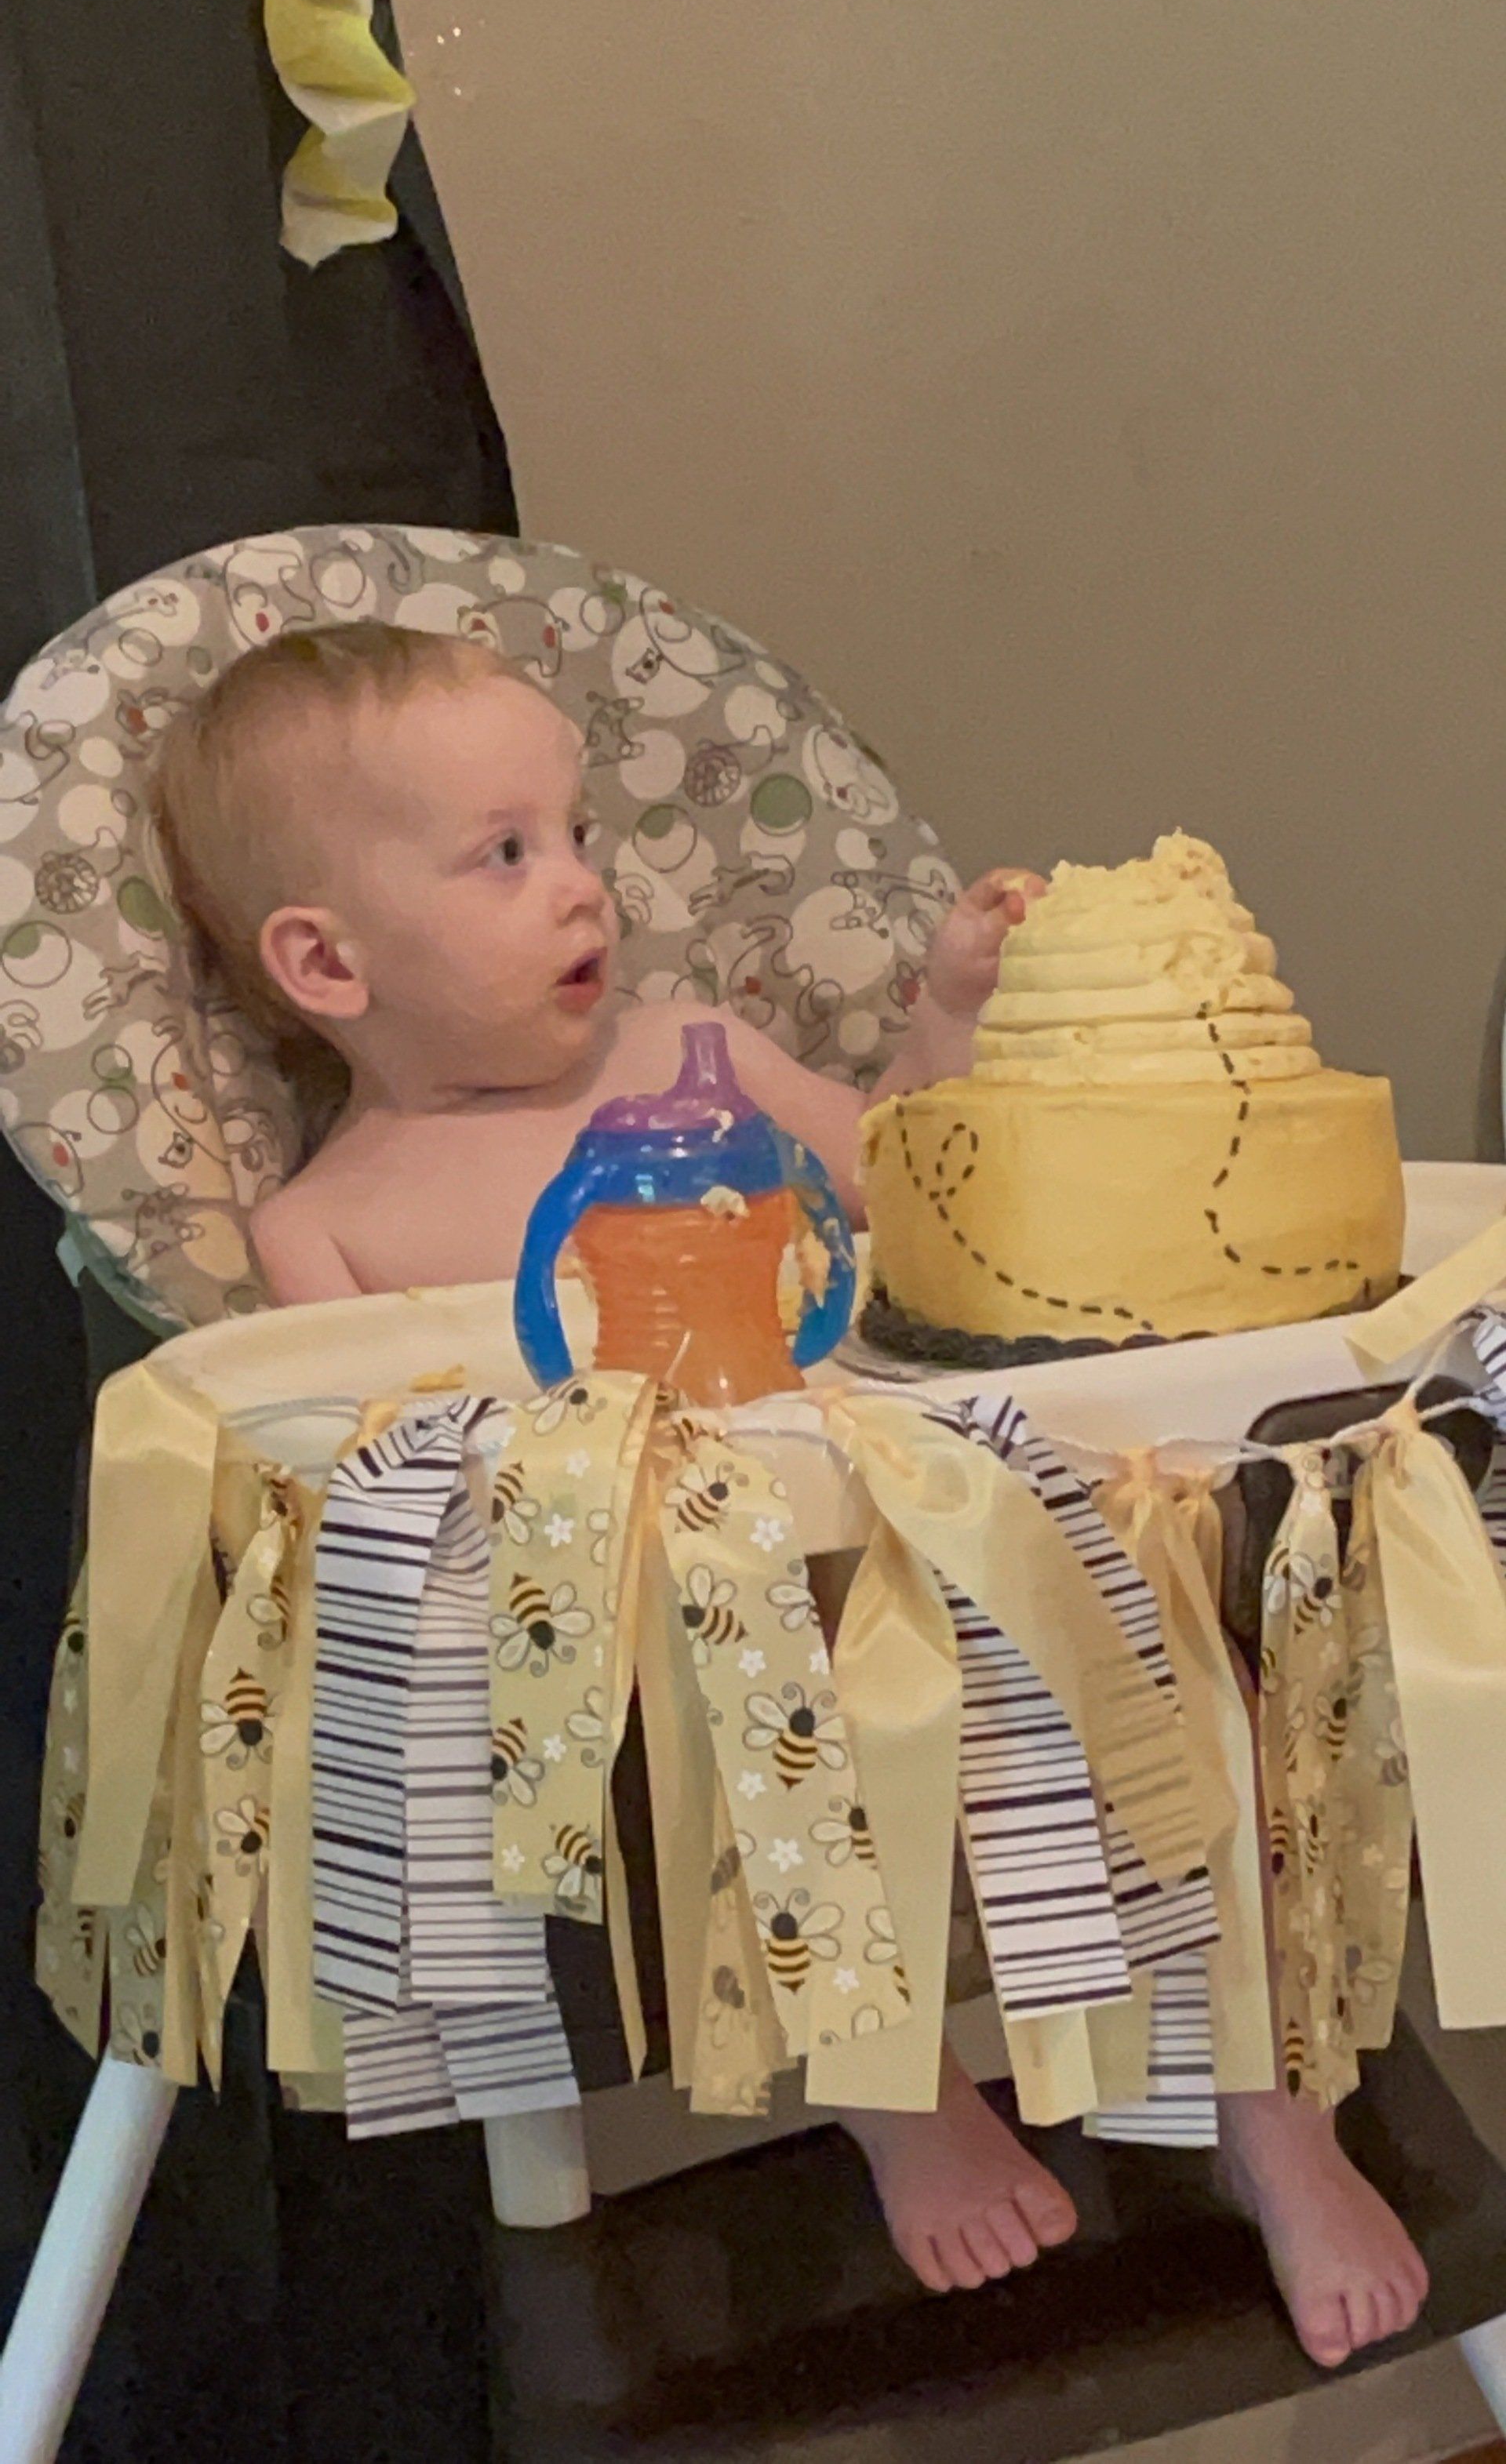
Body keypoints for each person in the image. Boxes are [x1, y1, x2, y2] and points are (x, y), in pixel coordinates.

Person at [151, 619, 1428, 2357]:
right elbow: (400, 1528)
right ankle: (893, 2092)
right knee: (729, 1712)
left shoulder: (701, 1064)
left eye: (582, 836)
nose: (583, 889)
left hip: (937, 1548)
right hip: (691, 1641)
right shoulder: (331, 1234)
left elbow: (910, 1187)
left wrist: (953, 1020)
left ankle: (1274, 2112)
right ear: (326, 958)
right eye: (508, 854)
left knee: (1204, 1651)